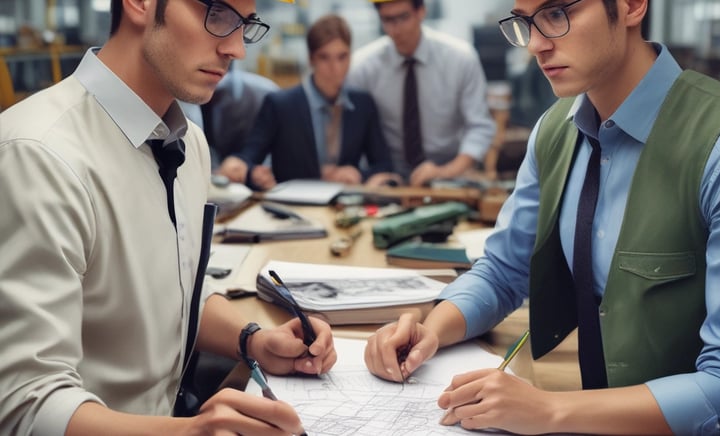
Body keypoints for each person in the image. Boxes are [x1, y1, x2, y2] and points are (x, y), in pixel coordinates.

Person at [364, 0, 720, 434]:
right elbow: (503, 271)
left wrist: (550, 410)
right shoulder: (555, 130)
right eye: (525, 22)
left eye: (557, 14)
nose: (536, 44)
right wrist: (431, 331)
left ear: (631, 6)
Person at [0, 0, 336, 434]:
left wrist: (252, 339)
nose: (237, 49)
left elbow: (177, 286)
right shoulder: (39, 155)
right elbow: (24, 405)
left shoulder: (188, 143)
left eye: (246, 24)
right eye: (217, 14)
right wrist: (191, 432)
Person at [218, 14, 399, 191]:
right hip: (292, 206)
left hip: (344, 203)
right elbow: (249, 157)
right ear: (312, 59)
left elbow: (383, 165)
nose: (335, 68)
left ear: (351, 56)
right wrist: (249, 172)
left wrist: (359, 174)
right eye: (324, 57)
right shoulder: (280, 104)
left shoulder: (363, 104)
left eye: (342, 57)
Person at [347, 0, 496, 187]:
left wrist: (446, 171)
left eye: (403, 17)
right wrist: (370, 174)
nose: (396, 29)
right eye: (387, 20)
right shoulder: (363, 67)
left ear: (421, 12)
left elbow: (479, 127)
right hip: (389, 178)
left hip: (447, 175)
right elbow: (354, 134)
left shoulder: (460, 59)